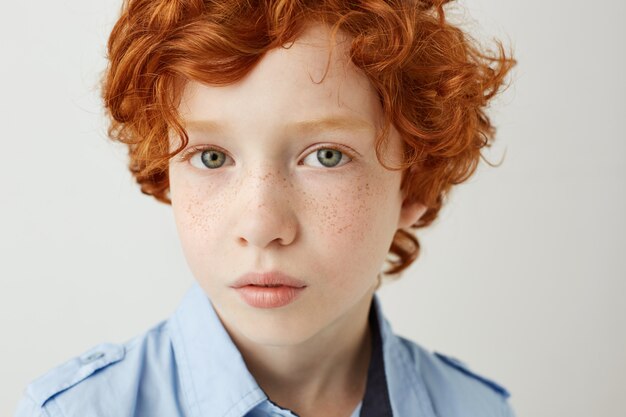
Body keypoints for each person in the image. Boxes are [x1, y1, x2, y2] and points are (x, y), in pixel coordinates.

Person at [14, 0, 515, 416]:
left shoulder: (475, 408)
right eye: (211, 157)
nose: (261, 226)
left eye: (326, 156)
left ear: (413, 184)